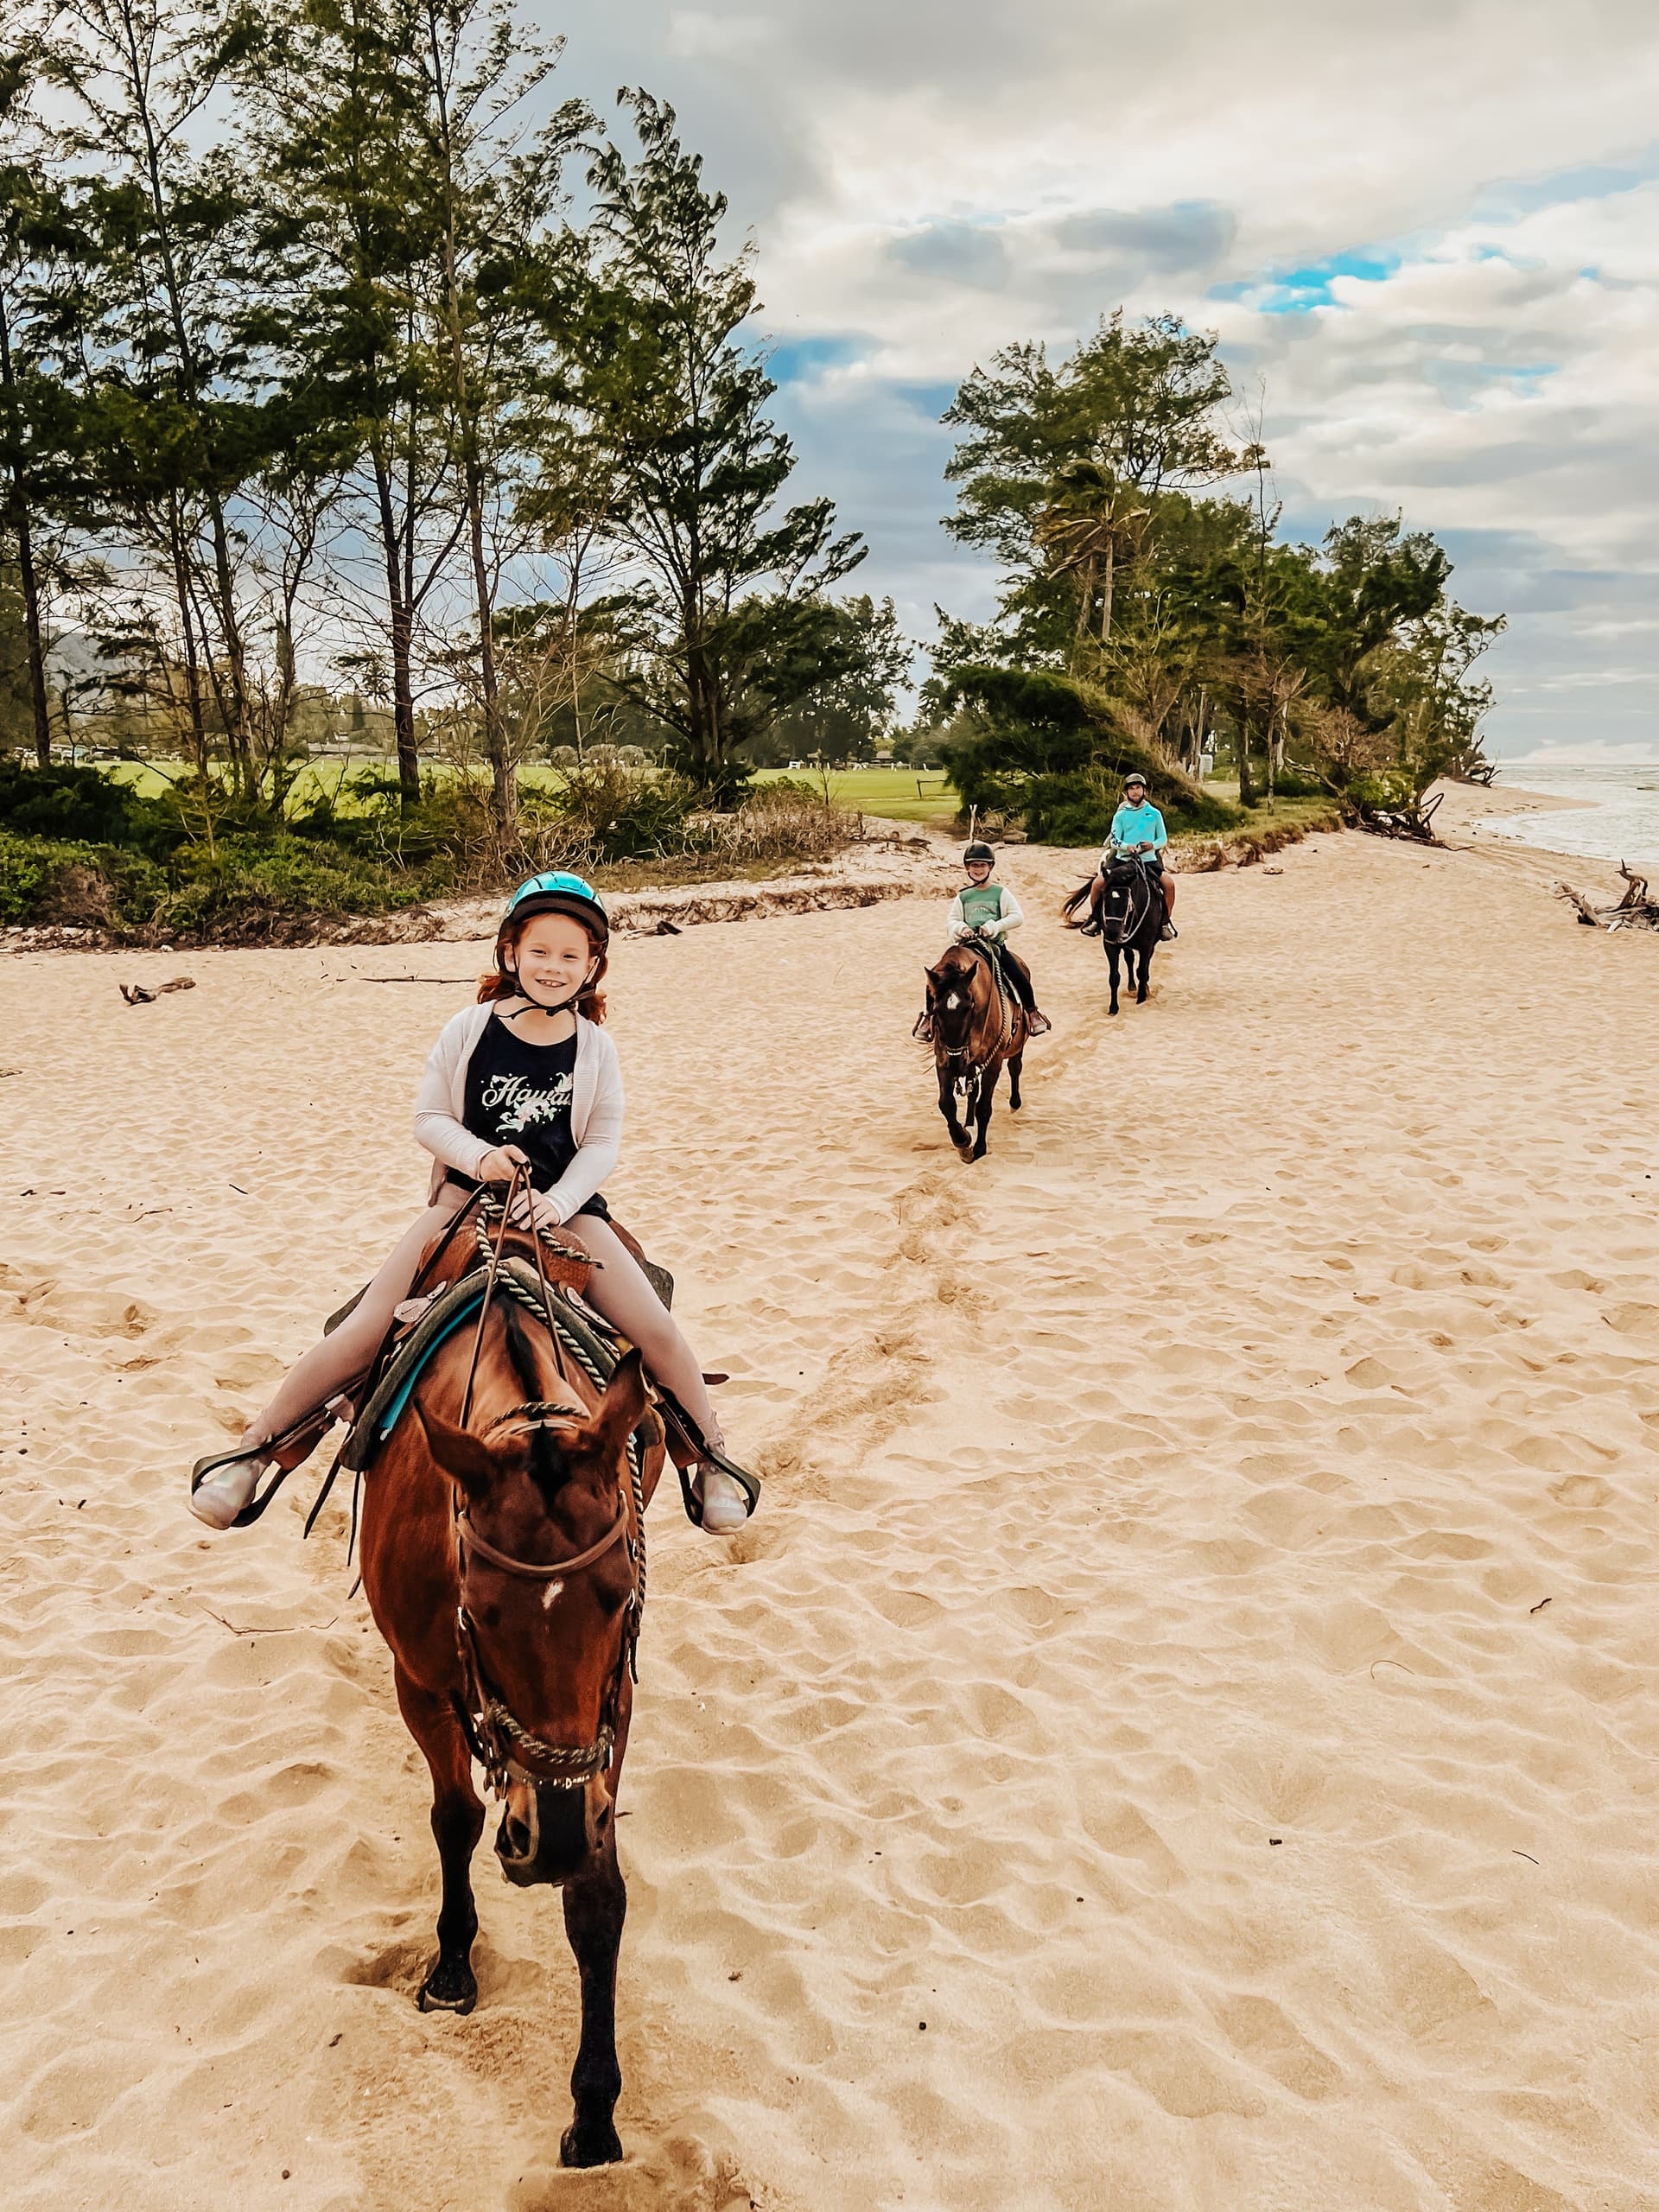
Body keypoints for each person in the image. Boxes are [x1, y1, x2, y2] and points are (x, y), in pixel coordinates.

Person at [188, 871, 753, 1535]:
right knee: (367, 1327)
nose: (554, 967)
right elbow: (430, 1118)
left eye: (571, 955)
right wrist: (481, 1159)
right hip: (465, 1203)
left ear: (594, 965)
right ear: (510, 953)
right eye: (540, 951)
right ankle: (256, 1449)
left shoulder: (595, 1048)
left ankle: (714, 1458)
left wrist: (559, 1200)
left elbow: (602, 1143)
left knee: (655, 1330)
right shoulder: (469, 1028)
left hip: (562, 1211)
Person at [914, 841, 1051, 1039]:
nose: (978, 869)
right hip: (967, 947)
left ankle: (1032, 1012)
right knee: (936, 977)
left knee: (1017, 974)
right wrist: (961, 928)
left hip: (993, 946)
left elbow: (1016, 916)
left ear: (990, 867)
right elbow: (952, 920)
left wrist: (993, 927)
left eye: (982, 865)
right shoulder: (963, 897)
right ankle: (928, 1017)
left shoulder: (1000, 893)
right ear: (967, 868)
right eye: (974, 865)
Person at [1103, 772, 1177, 940]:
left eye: (1138, 788)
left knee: (1169, 885)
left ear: (1145, 791)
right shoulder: (1120, 815)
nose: (1135, 791)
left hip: (1148, 860)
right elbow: (1114, 839)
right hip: (1123, 859)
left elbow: (1163, 839)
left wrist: (1152, 845)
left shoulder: (1154, 813)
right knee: (1098, 883)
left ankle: (1164, 922)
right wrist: (1125, 847)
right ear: (1126, 793)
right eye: (1131, 788)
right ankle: (1094, 920)